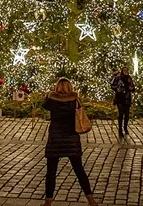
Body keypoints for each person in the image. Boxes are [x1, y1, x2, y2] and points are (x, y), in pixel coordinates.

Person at [42, 78, 97, 206]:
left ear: (57, 87)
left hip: (55, 139)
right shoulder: (75, 100)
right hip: (71, 138)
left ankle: (48, 202)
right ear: (70, 87)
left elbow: (44, 105)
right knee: (79, 170)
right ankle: (91, 200)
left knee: (51, 172)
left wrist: (49, 94)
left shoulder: (52, 100)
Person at [110, 67, 135, 138]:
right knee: (121, 114)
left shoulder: (129, 78)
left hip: (127, 98)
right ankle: (120, 130)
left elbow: (133, 87)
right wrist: (117, 89)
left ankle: (125, 128)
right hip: (120, 98)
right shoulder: (118, 78)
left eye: (127, 70)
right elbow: (112, 85)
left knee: (127, 115)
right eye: (124, 70)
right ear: (122, 71)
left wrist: (132, 88)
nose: (126, 71)